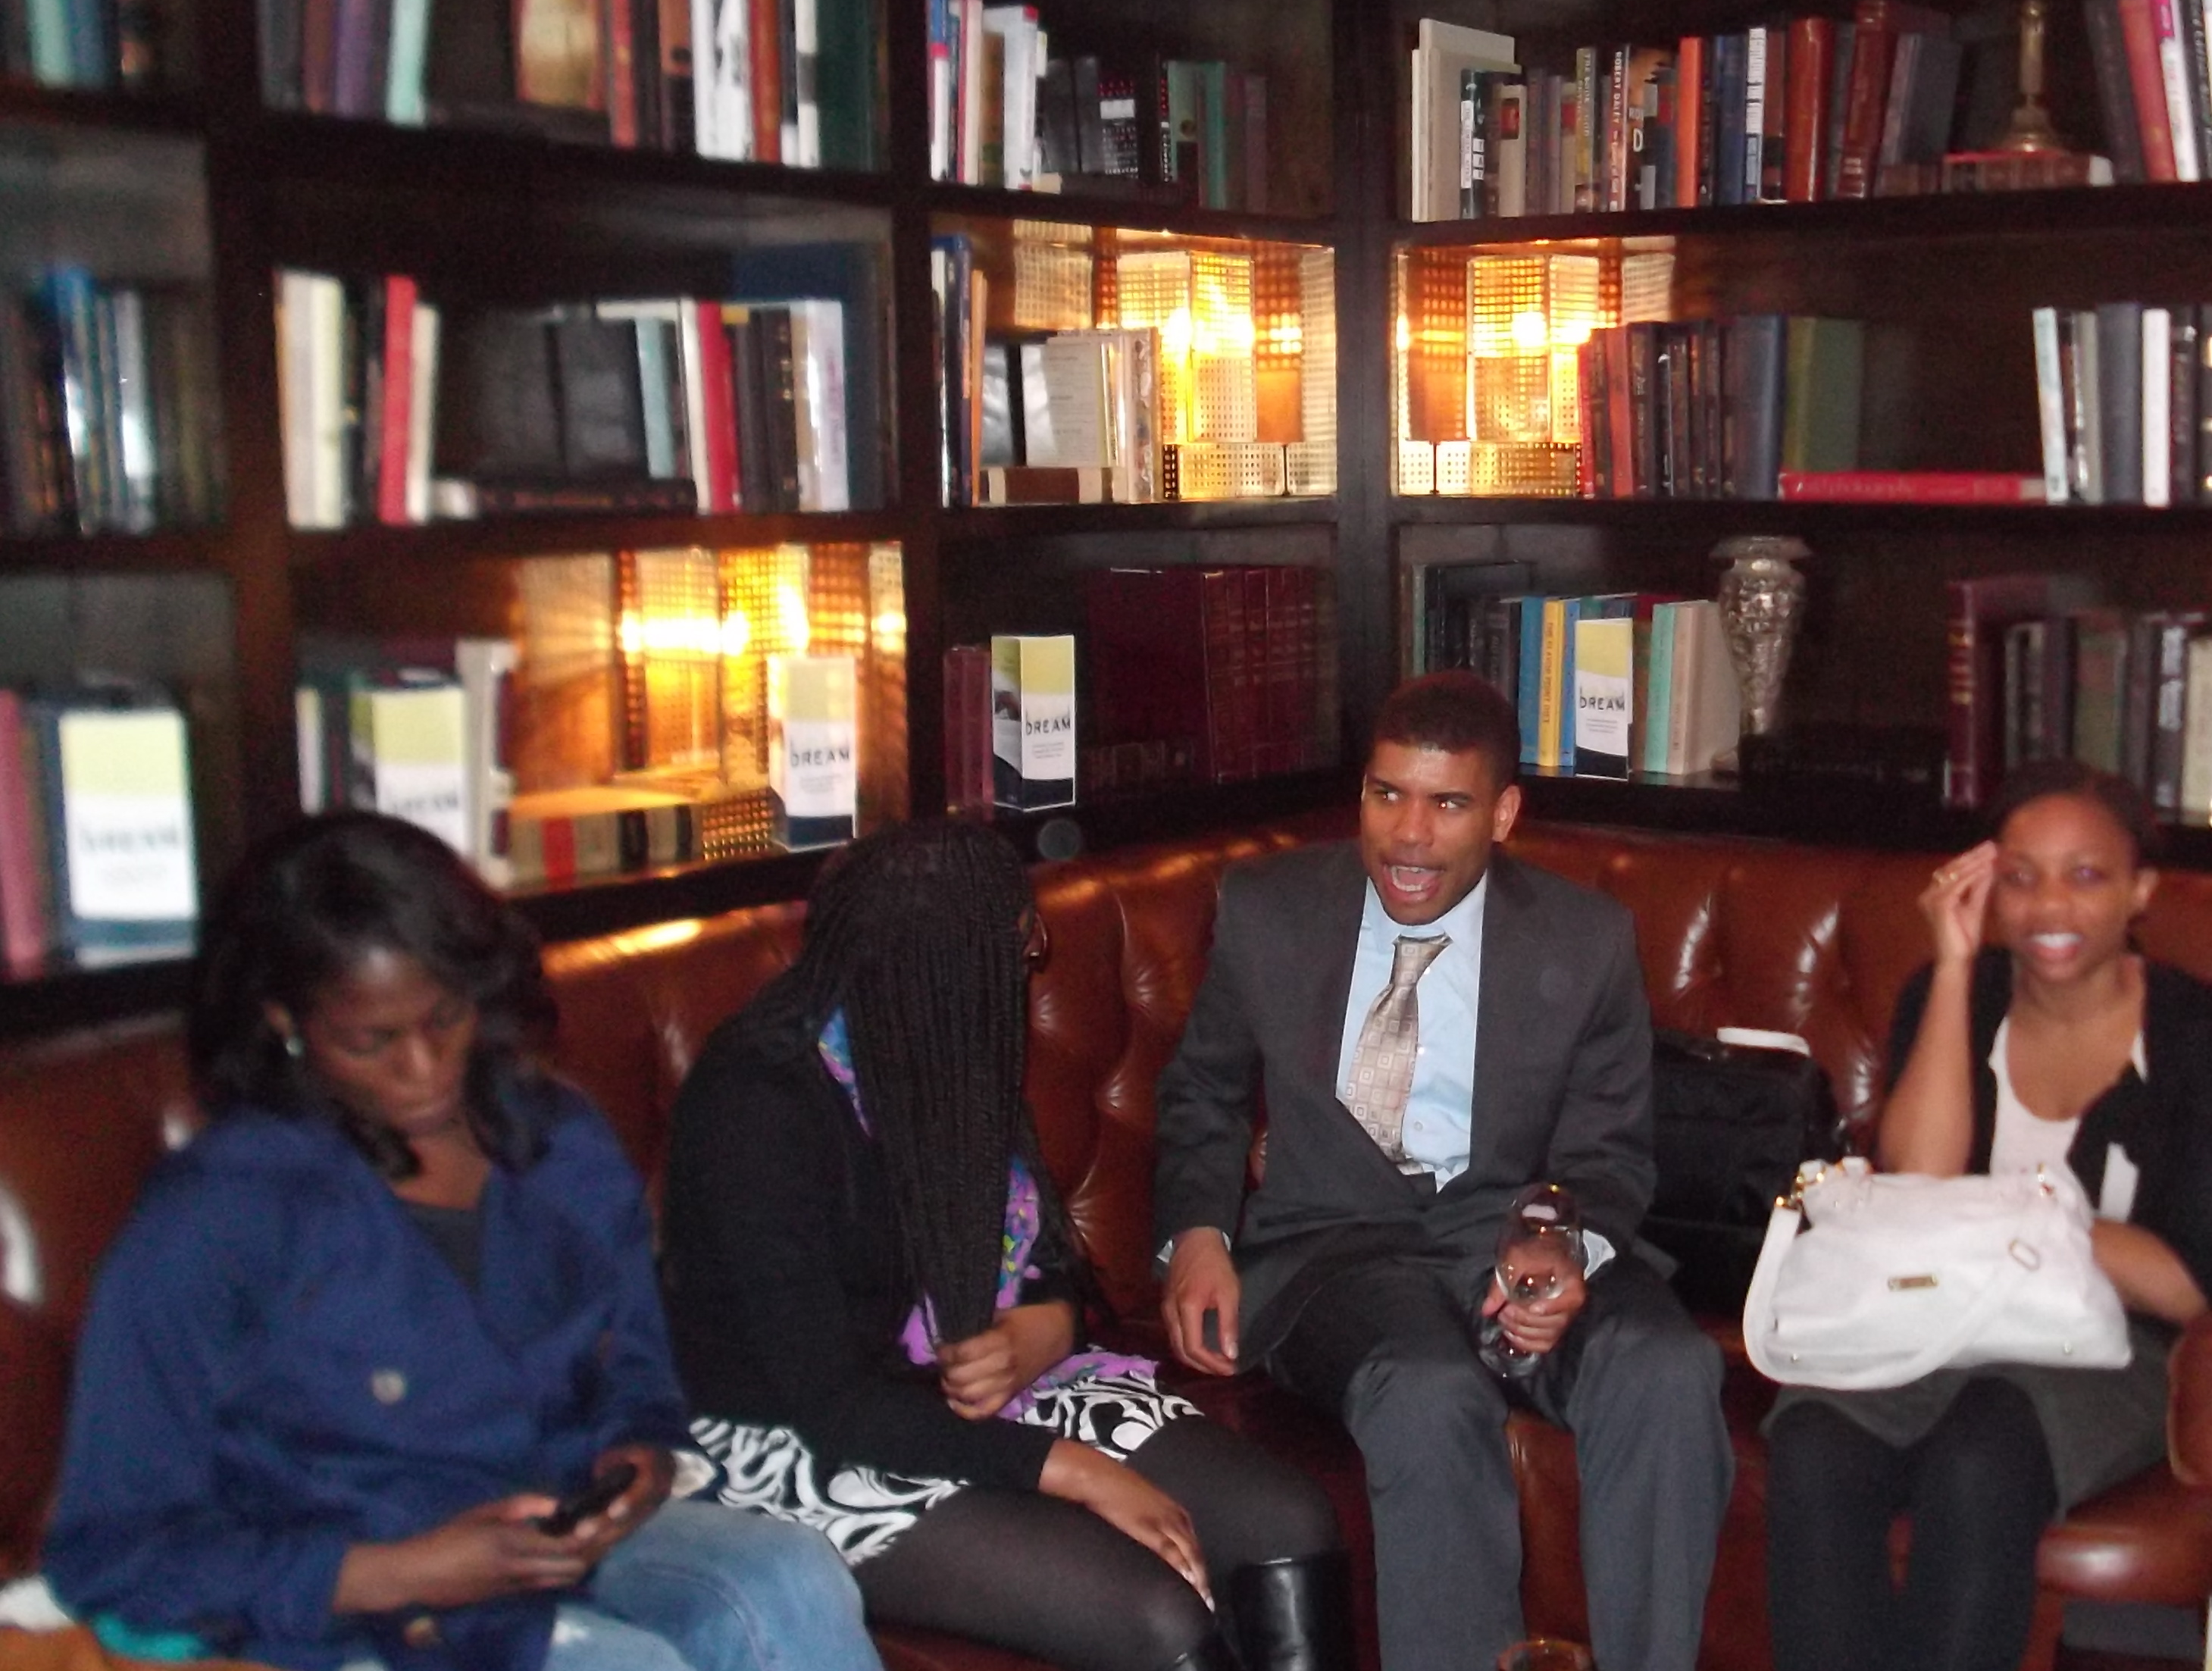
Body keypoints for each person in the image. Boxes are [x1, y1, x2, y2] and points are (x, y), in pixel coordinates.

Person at [42, 812, 879, 1671]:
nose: (424, 1069)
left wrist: (640, 1465)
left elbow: (638, 1372)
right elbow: (110, 1548)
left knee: (790, 1574)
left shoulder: (558, 1143)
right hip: (340, 1596)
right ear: (284, 1021)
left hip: (555, 1533)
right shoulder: (216, 1215)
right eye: (370, 1042)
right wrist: (397, 1572)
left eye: (445, 1018)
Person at [662, 818, 1345, 1671]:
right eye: (1017, 947)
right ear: (941, 968)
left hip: (988, 1395)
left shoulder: (945, 1041)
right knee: (1154, 1613)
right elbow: (829, 1400)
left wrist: (1046, 1328)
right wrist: (1079, 1470)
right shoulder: (756, 1103)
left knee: (1286, 1522)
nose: (1029, 962)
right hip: (801, 1440)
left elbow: (1048, 1259)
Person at [1153, 670, 1732, 1671]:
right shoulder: (1268, 907)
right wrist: (1197, 1234)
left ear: (1502, 814)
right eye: (1388, 794)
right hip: (1333, 1253)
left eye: (1448, 803)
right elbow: (1203, 1091)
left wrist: (1559, 1243)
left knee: (1667, 1369)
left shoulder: (1585, 937)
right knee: (1426, 1391)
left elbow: (1605, 1150)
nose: (1408, 836)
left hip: (1501, 1232)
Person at [1764, 759, 2212, 1671]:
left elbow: (2188, 1283)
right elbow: (1918, 1181)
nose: (2049, 907)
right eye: (2021, 877)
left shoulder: (2203, 1032)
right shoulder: (1953, 993)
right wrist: (1956, 968)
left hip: (2111, 1347)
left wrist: (2015, 1224)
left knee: (1983, 1451)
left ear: (2140, 891)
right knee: (1813, 1442)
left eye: (2087, 876)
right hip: (1931, 1317)